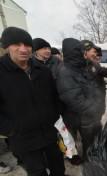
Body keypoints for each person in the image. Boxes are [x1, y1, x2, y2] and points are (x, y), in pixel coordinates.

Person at [0, 27, 65, 175]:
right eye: (17, 44)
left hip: (49, 133)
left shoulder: (42, 70)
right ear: (6, 47)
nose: (23, 49)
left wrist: (56, 117)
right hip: (23, 139)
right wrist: (11, 129)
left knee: (58, 168)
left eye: (27, 45)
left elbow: (55, 96)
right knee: (37, 172)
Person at [56, 38, 107, 162]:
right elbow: (74, 99)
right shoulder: (65, 71)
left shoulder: (85, 65)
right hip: (82, 116)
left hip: (91, 114)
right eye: (83, 51)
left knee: (95, 139)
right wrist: (94, 108)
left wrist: (98, 106)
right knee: (82, 141)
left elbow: (92, 86)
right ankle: (88, 163)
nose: (85, 53)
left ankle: (94, 158)